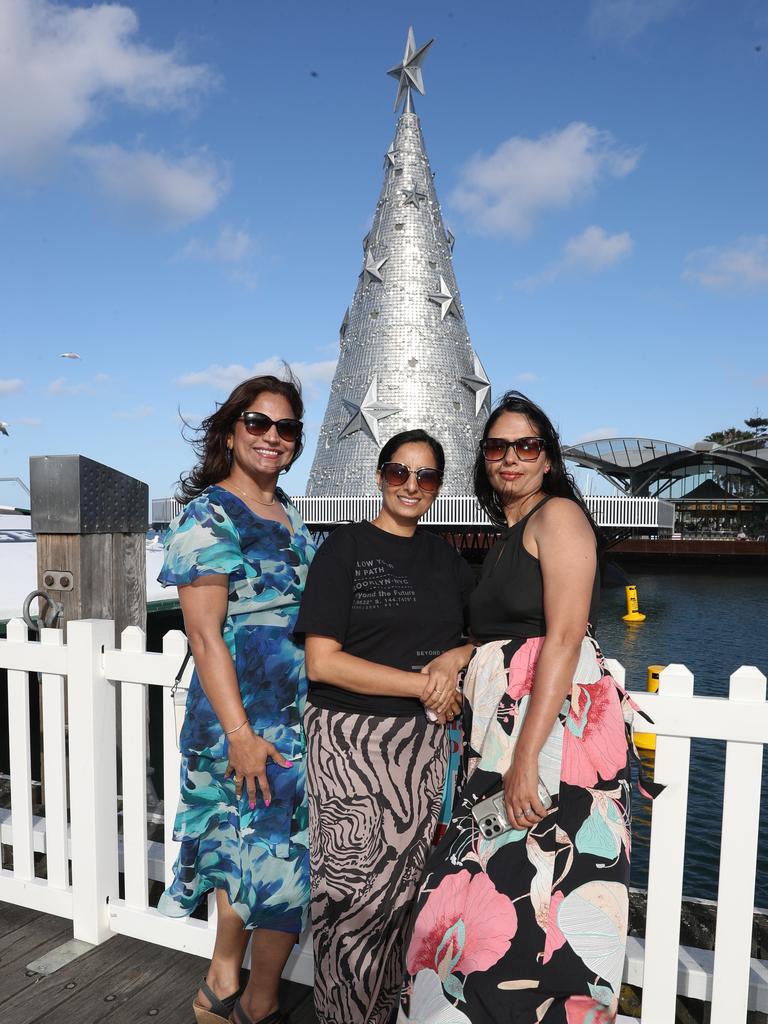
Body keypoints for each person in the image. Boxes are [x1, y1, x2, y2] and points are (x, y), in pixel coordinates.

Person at [400, 392, 651, 1024]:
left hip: (551, 739)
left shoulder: (558, 515)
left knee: (545, 910)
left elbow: (564, 635)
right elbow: (506, 636)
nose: (510, 458)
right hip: (506, 739)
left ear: (547, 458)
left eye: (526, 446)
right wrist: (460, 657)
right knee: (492, 898)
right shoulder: (510, 535)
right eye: (496, 447)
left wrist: (527, 757)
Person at [295, 429, 476, 1024]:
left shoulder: (445, 555)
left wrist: (454, 659)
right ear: (379, 476)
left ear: (438, 487)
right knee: (348, 899)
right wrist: (424, 683)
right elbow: (323, 661)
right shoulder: (344, 549)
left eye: (425, 476)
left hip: (421, 746)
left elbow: (477, 632)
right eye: (399, 472)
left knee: (402, 896)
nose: (411, 485)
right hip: (349, 740)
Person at [158, 373, 315, 1024]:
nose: (273, 437)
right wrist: (242, 734)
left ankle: (260, 998)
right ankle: (221, 990)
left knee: (287, 860)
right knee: (245, 854)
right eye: (258, 423)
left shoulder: (290, 513)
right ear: (230, 431)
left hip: (294, 720)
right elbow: (203, 632)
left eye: (286, 428)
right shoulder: (211, 513)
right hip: (238, 722)